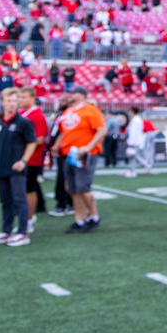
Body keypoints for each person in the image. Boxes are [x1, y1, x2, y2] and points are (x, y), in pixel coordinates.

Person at [0, 88, 39, 247]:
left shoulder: (24, 122)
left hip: (16, 169)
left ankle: (22, 233)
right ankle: (6, 231)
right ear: (2, 102)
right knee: (5, 201)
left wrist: (24, 160)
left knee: (19, 200)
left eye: (15, 100)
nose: (12, 104)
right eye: (9, 100)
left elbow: (32, 142)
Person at [53, 85, 106, 233]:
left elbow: (101, 130)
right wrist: (57, 146)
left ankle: (94, 217)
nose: (70, 95)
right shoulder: (68, 111)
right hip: (69, 154)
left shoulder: (91, 109)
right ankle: (79, 220)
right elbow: (63, 132)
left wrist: (88, 147)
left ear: (82, 95)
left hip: (84, 154)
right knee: (73, 189)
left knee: (83, 187)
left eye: (74, 93)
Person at [18, 87, 48, 228]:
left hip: (32, 158)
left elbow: (40, 139)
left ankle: (29, 218)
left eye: (24, 97)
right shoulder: (22, 113)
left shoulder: (37, 115)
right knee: (23, 188)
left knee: (29, 188)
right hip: (22, 157)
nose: (21, 100)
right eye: (20, 97)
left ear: (32, 98)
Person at [125, 106, 153, 178]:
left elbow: (133, 132)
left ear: (132, 111)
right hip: (136, 141)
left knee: (131, 155)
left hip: (135, 142)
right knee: (132, 155)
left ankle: (143, 165)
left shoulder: (135, 120)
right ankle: (135, 169)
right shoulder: (137, 119)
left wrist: (131, 142)